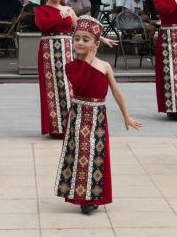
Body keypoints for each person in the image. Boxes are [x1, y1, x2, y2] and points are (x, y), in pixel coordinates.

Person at [55, 16, 141, 215]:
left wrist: (126, 116)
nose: (80, 42)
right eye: (77, 38)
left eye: (86, 39)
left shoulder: (105, 66)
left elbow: (116, 92)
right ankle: (82, 197)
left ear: (95, 43)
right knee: (80, 154)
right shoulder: (71, 66)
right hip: (78, 116)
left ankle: (93, 196)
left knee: (96, 156)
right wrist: (88, 60)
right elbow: (81, 84)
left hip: (98, 117)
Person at [34, 0, 117, 138]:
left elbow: (82, 28)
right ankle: (56, 127)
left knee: (69, 87)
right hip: (48, 53)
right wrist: (61, 15)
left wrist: (101, 38)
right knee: (52, 88)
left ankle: (71, 125)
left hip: (67, 51)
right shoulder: (41, 10)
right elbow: (43, 25)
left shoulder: (69, 10)